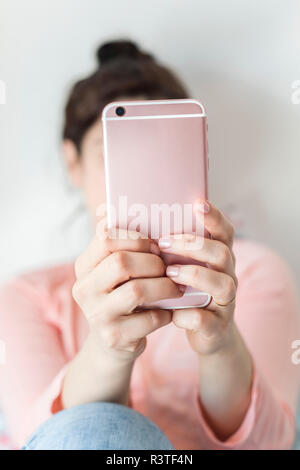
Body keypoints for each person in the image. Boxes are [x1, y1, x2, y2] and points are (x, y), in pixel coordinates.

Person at [0, 39, 299, 450]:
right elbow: (40, 442)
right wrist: (109, 349)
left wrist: (219, 342)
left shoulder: (250, 270)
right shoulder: (26, 297)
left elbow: (272, 446)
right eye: (117, 152)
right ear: (72, 162)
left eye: (161, 150)